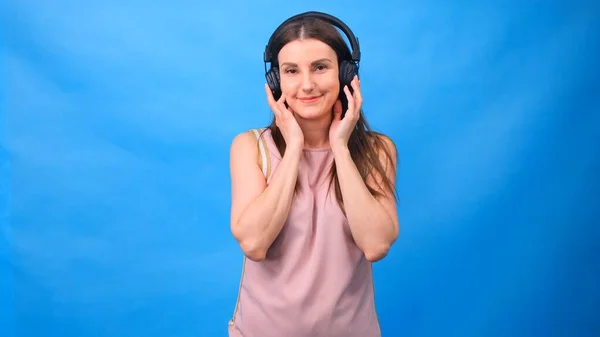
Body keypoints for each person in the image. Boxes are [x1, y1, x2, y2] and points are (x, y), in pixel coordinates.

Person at [227, 11, 400, 337]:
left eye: (320, 67)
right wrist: (293, 147)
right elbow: (254, 243)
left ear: (346, 75)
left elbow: (376, 244)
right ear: (276, 80)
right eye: (291, 71)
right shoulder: (251, 147)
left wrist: (339, 147)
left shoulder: (378, 150)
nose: (306, 84)